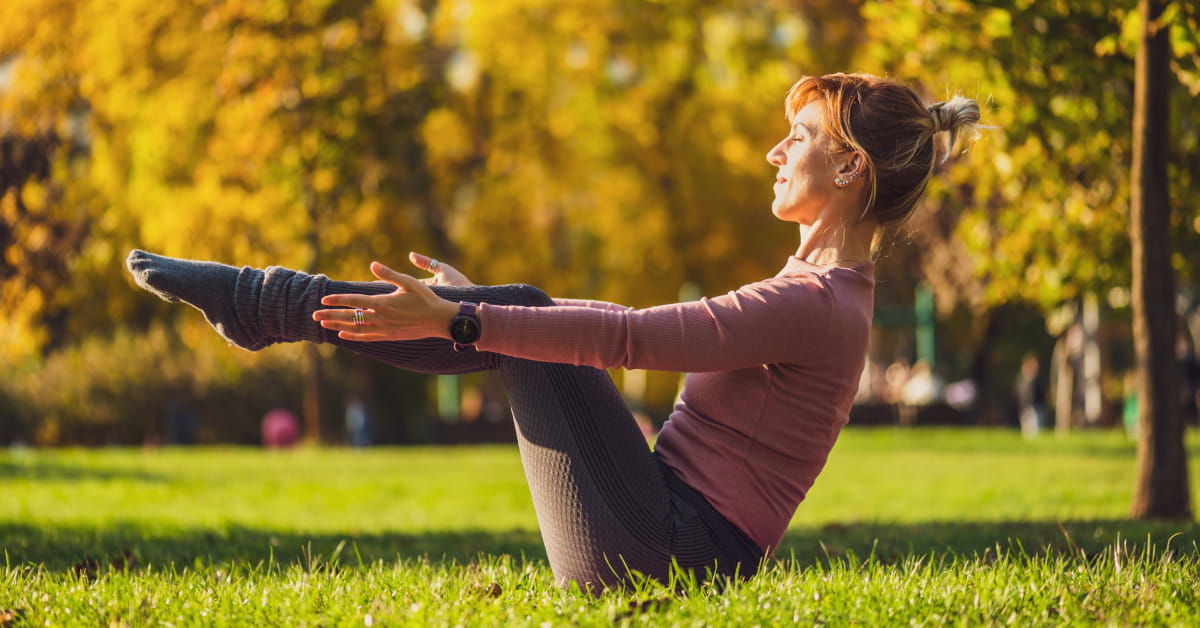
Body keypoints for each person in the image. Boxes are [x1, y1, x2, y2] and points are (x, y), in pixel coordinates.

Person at [126, 73, 979, 592]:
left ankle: (267, 303)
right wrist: (481, 319)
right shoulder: (819, 291)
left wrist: (471, 319)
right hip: (664, 532)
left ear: (848, 166)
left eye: (796, 137)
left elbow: (632, 339)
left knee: (518, 310)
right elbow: (692, 436)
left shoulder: (818, 304)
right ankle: (266, 305)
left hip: (664, 556)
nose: (772, 152)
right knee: (514, 314)